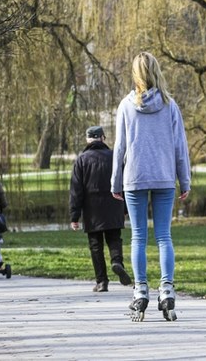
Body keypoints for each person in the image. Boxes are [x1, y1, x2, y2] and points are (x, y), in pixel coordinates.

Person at [111, 51, 191, 322]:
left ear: (135, 74)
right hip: (164, 177)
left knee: (138, 237)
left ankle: (141, 291)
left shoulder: (125, 106)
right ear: (157, 71)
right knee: (164, 237)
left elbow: (120, 147)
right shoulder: (170, 105)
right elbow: (180, 146)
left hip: (134, 176)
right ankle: (166, 290)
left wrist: (115, 181)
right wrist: (185, 179)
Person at [70, 125, 132, 292]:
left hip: (92, 210)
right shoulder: (115, 157)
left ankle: (101, 281)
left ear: (88, 139)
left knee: (95, 244)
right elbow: (125, 183)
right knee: (114, 238)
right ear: (103, 138)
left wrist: (74, 216)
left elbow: (77, 190)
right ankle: (117, 262)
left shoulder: (81, 160)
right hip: (114, 204)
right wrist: (126, 207)